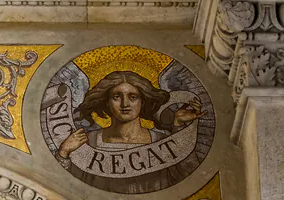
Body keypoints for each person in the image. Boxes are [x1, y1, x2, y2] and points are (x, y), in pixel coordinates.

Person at [55, 70, 204, 193]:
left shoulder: (160, 141)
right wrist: (64, 152)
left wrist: (178, 127)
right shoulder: (87, 142)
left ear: (143, 102)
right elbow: (68, 191)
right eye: (116, 97)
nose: (125, 104)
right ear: (107, 102)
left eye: (133, 97)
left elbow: (189, 176)